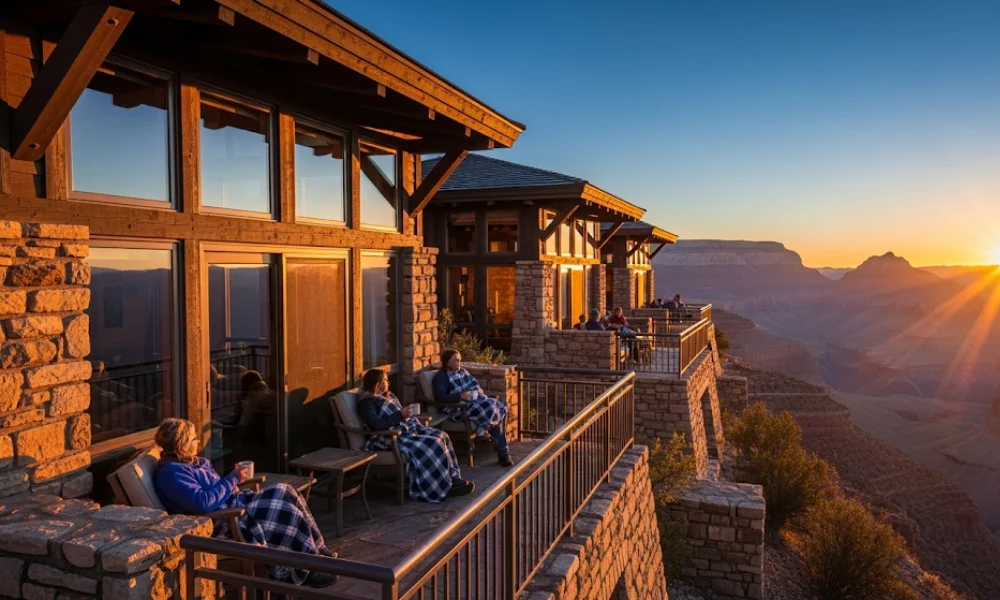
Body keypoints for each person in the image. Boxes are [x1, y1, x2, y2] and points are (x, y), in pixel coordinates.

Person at [152, 418, 336, 587]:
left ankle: (317, 550)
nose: (198, 442)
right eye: (194, 439)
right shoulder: (171, 473)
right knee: (282, 505)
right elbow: (203, 503)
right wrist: (232, 479)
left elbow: (214, 489)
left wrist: (234, 482)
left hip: (236, 503)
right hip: (224, 520)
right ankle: (304, 569)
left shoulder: (191, 463)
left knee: (285, 490)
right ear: (182, 444)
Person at [357, 368, 474, 502]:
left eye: (386, 381)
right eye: (383, 381)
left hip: (404, 430)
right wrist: (400, 415)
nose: (387, 384)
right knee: (431, 444)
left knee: (441, 435)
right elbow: (376, 424)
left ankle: (452, 478)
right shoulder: (367, 402)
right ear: (375, 383)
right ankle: (438, 489)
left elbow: (396, 413)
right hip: (387, 438)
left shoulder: (386, 396)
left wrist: (406, 415)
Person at [433, 350, 514, 467]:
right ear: (448, 363)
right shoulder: (441, 377)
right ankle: (503, 452)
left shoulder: (463, 372)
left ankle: (494, 440)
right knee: (490, 409)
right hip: (458, 408)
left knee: (499, 405)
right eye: (456, 360)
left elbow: (474, 385)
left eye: (459, 359)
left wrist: (478, 391)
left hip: (474, 402)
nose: (459, 362)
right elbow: (440, 397)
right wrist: (460, 395)